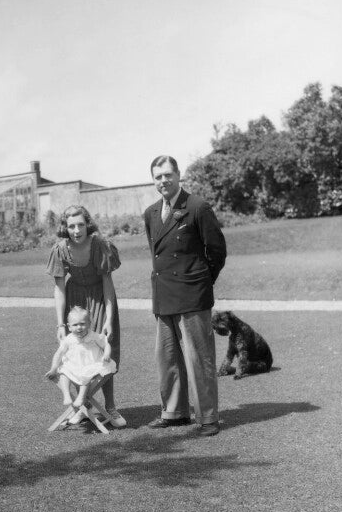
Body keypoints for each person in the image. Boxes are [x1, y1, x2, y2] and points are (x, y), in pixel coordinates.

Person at [143, 155, 227, 436]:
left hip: (192, 296)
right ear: (153, 180)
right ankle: (175, 413)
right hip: (164, 295)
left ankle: (208, 418)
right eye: (158, 176)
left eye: (168, 175)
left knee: (199, 360)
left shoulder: (197, 207)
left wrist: (201, 283)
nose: (163, 181)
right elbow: (158, 255)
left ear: (178, 175)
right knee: (167, 359)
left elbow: (217, 252)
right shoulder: (152, 213)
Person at [46, 204, 126, 428]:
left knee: (104, 352)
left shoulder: (100, 245)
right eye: (71, 226)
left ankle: (110, 407)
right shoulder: (60, 249)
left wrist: (109, 318)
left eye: (81, 224)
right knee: (74, 353)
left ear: (87, 224)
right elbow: (59, 289)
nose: (76, 230)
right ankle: (85, 407)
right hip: (75, 300)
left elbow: (108, 284)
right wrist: (60, 323)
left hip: (100, 298)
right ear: (65, 227)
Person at [45, 305, 117, 410]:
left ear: (89, 324)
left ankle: (82, 397)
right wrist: (53, 368)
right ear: (69, 327)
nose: (79, 327)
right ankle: (67, 395)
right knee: (63, 372)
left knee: (85, 375)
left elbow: (106, 344)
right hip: (74, 365)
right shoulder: (68, 339)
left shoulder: (94, 336)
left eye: (82, 324)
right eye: (75, 325)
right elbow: (59, 353)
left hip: (91, 365)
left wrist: (106, 354)